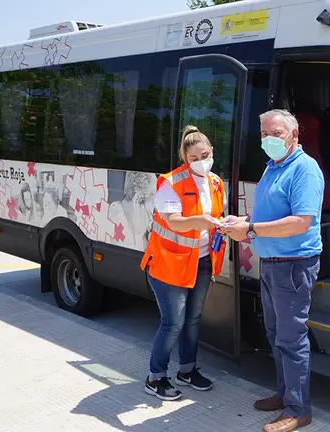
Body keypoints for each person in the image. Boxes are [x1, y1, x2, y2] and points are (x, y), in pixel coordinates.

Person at [222, 109, 324, 432]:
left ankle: (298, 409)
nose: (268, 140)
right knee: (275, 335)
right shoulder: (273, 167)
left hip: (293, 266)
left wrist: (250, 229)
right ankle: (284, 395)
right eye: (264, 134)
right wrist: (241, 223)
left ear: (295, 135)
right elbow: (266, 214)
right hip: (271, 264)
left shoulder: (304, 170)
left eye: (276, 133)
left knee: (291, 338)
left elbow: (300, 222)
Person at [139, 125, 227, 401]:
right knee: (172, 323)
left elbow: (216, 218)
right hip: (168, 264)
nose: (202, 160)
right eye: (195, 158)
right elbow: (173, 221)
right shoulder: (170, 183)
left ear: (212, 151)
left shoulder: (215, 183)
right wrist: (200, 221)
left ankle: (187, 371)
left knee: (193, 320)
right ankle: (155, 377)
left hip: (201, 262)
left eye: (206, 154)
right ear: (185, 158)